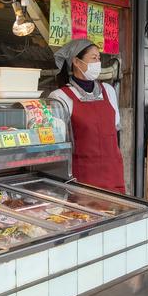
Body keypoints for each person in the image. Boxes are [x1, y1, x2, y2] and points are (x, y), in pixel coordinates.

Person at [49, 38, 125, 194]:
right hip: (83, 177)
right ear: (76, 62)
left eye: (99, 58)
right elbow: (57, 143)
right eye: (93, 58)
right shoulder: (60, 96)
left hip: (113, 173)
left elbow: (115, 128)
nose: (98, 63)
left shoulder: (108, 91)